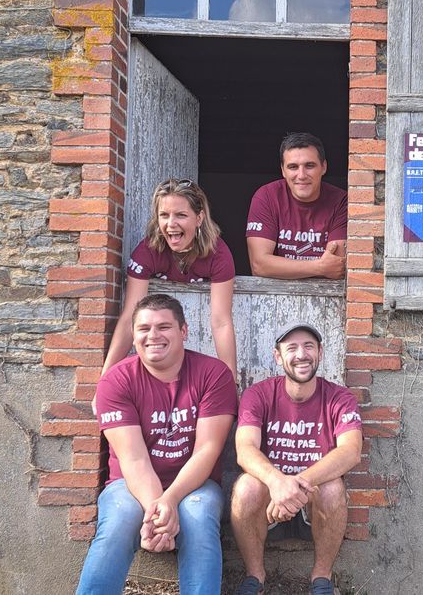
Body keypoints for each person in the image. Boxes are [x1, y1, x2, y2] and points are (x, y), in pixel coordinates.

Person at [77, 294, 237, 594]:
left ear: (184, 331)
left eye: (164, 326)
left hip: (195, 483)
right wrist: (158, 515)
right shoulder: (115, 380)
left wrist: (170, 500)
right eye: (143, 328)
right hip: (129, 481)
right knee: (120, 518)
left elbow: (207, 450)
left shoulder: (214, 375)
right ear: (134, 335)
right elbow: (133, 459)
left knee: (198, 515)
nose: (153, 336)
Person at [230, 323, 363, 595]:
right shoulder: (258, 395)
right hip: (268, 510)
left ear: (320, 352)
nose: (301, 354)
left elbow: (351, 451)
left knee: (332, 487)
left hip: (315, 507)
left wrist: (295, 486)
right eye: (292, 348)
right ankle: (255, 577)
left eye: (309, 346)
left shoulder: (340, 398)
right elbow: (245, 449)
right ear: (278, 356)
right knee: (245, 487)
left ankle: (321, 578)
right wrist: (276, 483)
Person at [101, 178, 237, 381]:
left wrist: (230, 382)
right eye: (164, 215)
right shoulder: (148, 251)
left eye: (181, 215)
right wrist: (105, 378)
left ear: (199, 218)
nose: (171, 224)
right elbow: (131, 315)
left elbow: (221, 322)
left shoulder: (218, 254)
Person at [246, 133, 348, 279]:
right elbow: (259, 265)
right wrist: (319, 267)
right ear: (283, 170)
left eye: (309, 166)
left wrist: (281, 267)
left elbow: (335, 265)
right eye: (293, 167)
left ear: (323, 167)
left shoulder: (341, 201)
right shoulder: (266, 196)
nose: (301, 175)